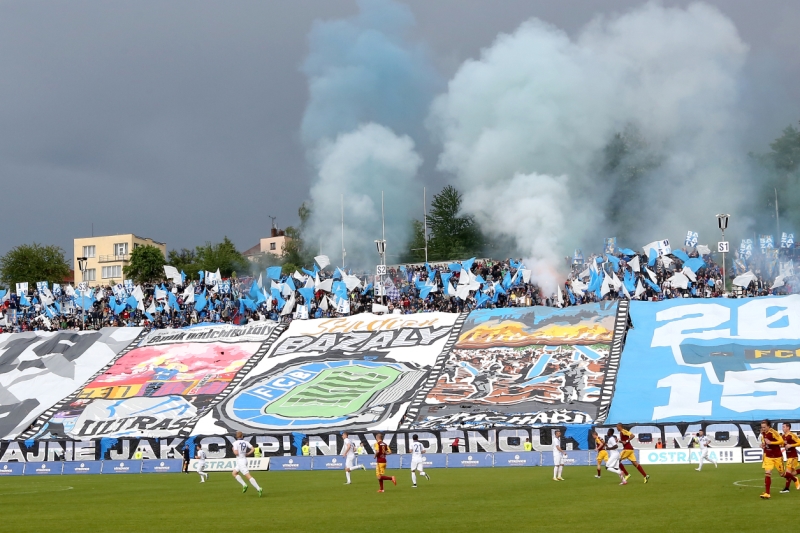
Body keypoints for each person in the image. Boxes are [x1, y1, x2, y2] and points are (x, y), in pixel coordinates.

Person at [231, 431, 263, 497]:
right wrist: (248, 453)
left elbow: (236, 453)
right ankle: (244, 485)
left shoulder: (235, 443)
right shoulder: (246, 442)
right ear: (242, 436)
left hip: (240, 461)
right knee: (234, 473)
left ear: (236, 436)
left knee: (248, 476)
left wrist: (233, 450)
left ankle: (258, 488)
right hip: (244, 459)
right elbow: (253, 449)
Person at [780, 422, 800, 494]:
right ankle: (787, 488)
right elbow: (782, 444)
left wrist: (791, 445)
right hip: (789, 456)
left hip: (793, 456)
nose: (783, 428)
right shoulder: (783, 436)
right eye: (782, 427)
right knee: (792, 473)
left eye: (784, 427)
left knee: (787, 473)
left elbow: (799, 442)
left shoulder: (791, 435)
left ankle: (787, 488)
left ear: (788, 427)